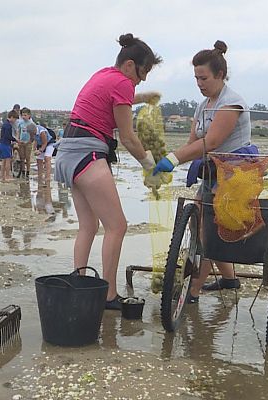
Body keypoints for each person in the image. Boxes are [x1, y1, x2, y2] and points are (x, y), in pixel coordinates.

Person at [54, 33, 162, 310]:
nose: (144, 78)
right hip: (87, 154)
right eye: (143, 71)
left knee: (89, 225)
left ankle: (79, 282)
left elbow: (114, 98)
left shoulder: (105, 74)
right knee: (118, 226)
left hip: (68, 153)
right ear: (129, 65)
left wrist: (141, 98)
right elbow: (127, 137)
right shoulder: (123, 82)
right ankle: (109, 295)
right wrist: (150, 167)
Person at [153, 40, 257, 303]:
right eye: (196, 78)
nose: (199, 83)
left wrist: (173, 159)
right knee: (201, 223)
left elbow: (211, 142)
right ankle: (230, 279)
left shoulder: (231, 103)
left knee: (208, 232)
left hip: (235, 175)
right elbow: (193, 143)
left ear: (220, 75)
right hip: (212, 173)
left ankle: (193, 291)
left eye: (204, 78)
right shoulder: (204, 105)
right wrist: (167, 164)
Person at [0, 110, 19, 182]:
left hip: (1, 143)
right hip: (5, 144)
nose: (15, 121)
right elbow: (8, 136)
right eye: (15, 119)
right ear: (12, 117)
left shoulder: (5, 124)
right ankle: (7, 176)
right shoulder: (8, 125)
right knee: (8, 160)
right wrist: (16, 140)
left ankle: (3, 177)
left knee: (3, 161)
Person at [16, 107, 36, 177]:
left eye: (25, 115)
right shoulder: (20, 123)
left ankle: (28, 171)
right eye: (22, 115)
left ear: (29, 115)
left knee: (27, 158)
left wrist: (29, 142)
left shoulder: (32, 124)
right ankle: (23, 171)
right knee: (22, 157)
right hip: (21, 142)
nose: (24, 117)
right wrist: (18, 139)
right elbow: (18, 131)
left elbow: (33, 135)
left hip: (28, 143)